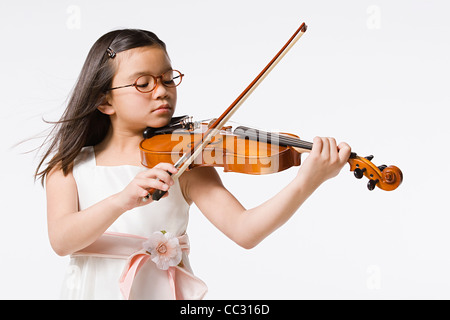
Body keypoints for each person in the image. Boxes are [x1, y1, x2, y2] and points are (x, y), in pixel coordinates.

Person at [36, 29, 351, 300]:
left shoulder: (184, 162)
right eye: (143, 83)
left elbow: (246, 231)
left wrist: (307, 181)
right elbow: (62, 241)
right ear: (104, 101)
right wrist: (123, 199)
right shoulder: (68, 168)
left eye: (167, 78)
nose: (162, 91)